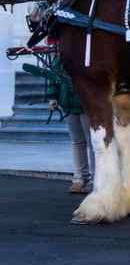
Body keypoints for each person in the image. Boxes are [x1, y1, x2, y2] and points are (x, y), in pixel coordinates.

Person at [47, 53, 94, 194]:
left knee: (92, 142)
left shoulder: (90, 52)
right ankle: (79, 178)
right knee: (77, 142)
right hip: (68, 103)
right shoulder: (62, 54)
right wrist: (53, 96)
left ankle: (95, 178)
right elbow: (54, 76)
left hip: (87, 104)